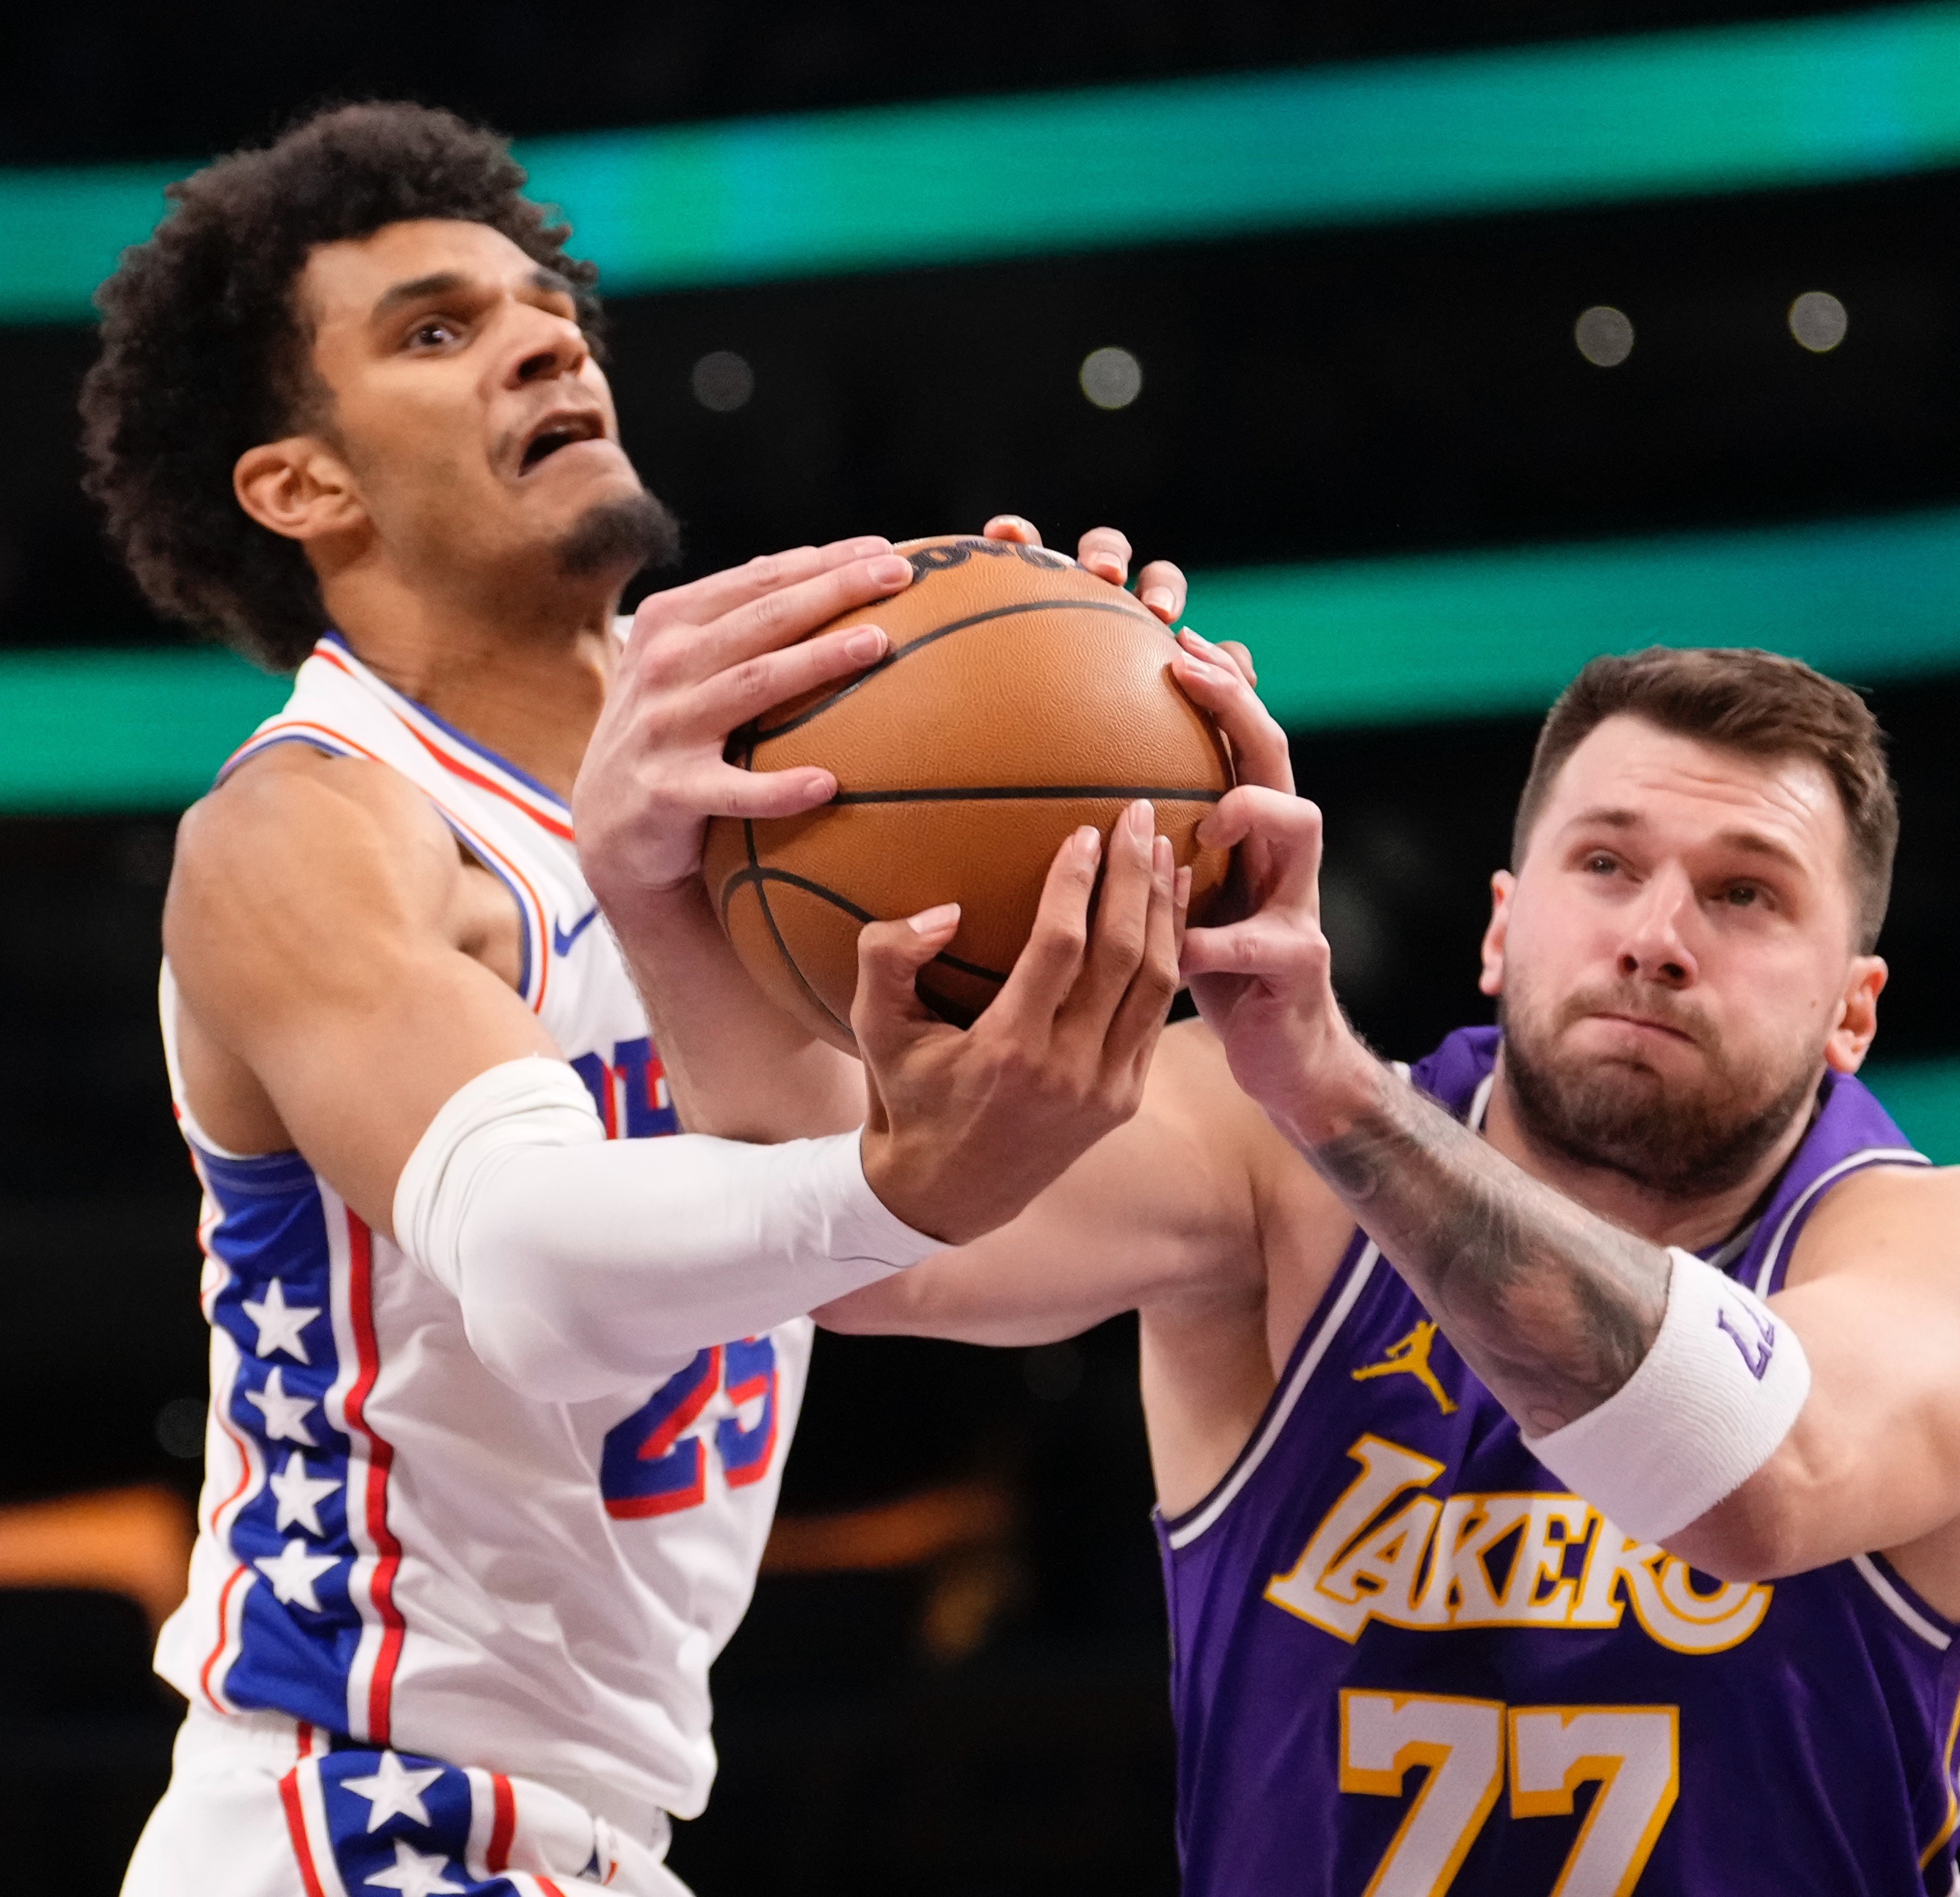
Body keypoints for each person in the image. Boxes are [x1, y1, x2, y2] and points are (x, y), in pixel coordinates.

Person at [79, 104, 1189, 1897]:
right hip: (356, 1811)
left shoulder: (765, 810)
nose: (541, 335)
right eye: (435, 330)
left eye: (541, 306)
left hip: (593, 1830)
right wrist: (902, 1177)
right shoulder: (310, 829)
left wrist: (1147, 816)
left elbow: (887, 1239)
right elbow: (533, 1254)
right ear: (304, 486)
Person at [583, 619, 1960, 1895]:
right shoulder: (1262, 1169)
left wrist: (1334, 1094)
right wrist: (652, 887)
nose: (1654, 934)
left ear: (1853, 1011)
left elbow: (1759, 1482)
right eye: (1604, 864)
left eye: (1744, 893)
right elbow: (852, 1246)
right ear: (1502, 931)